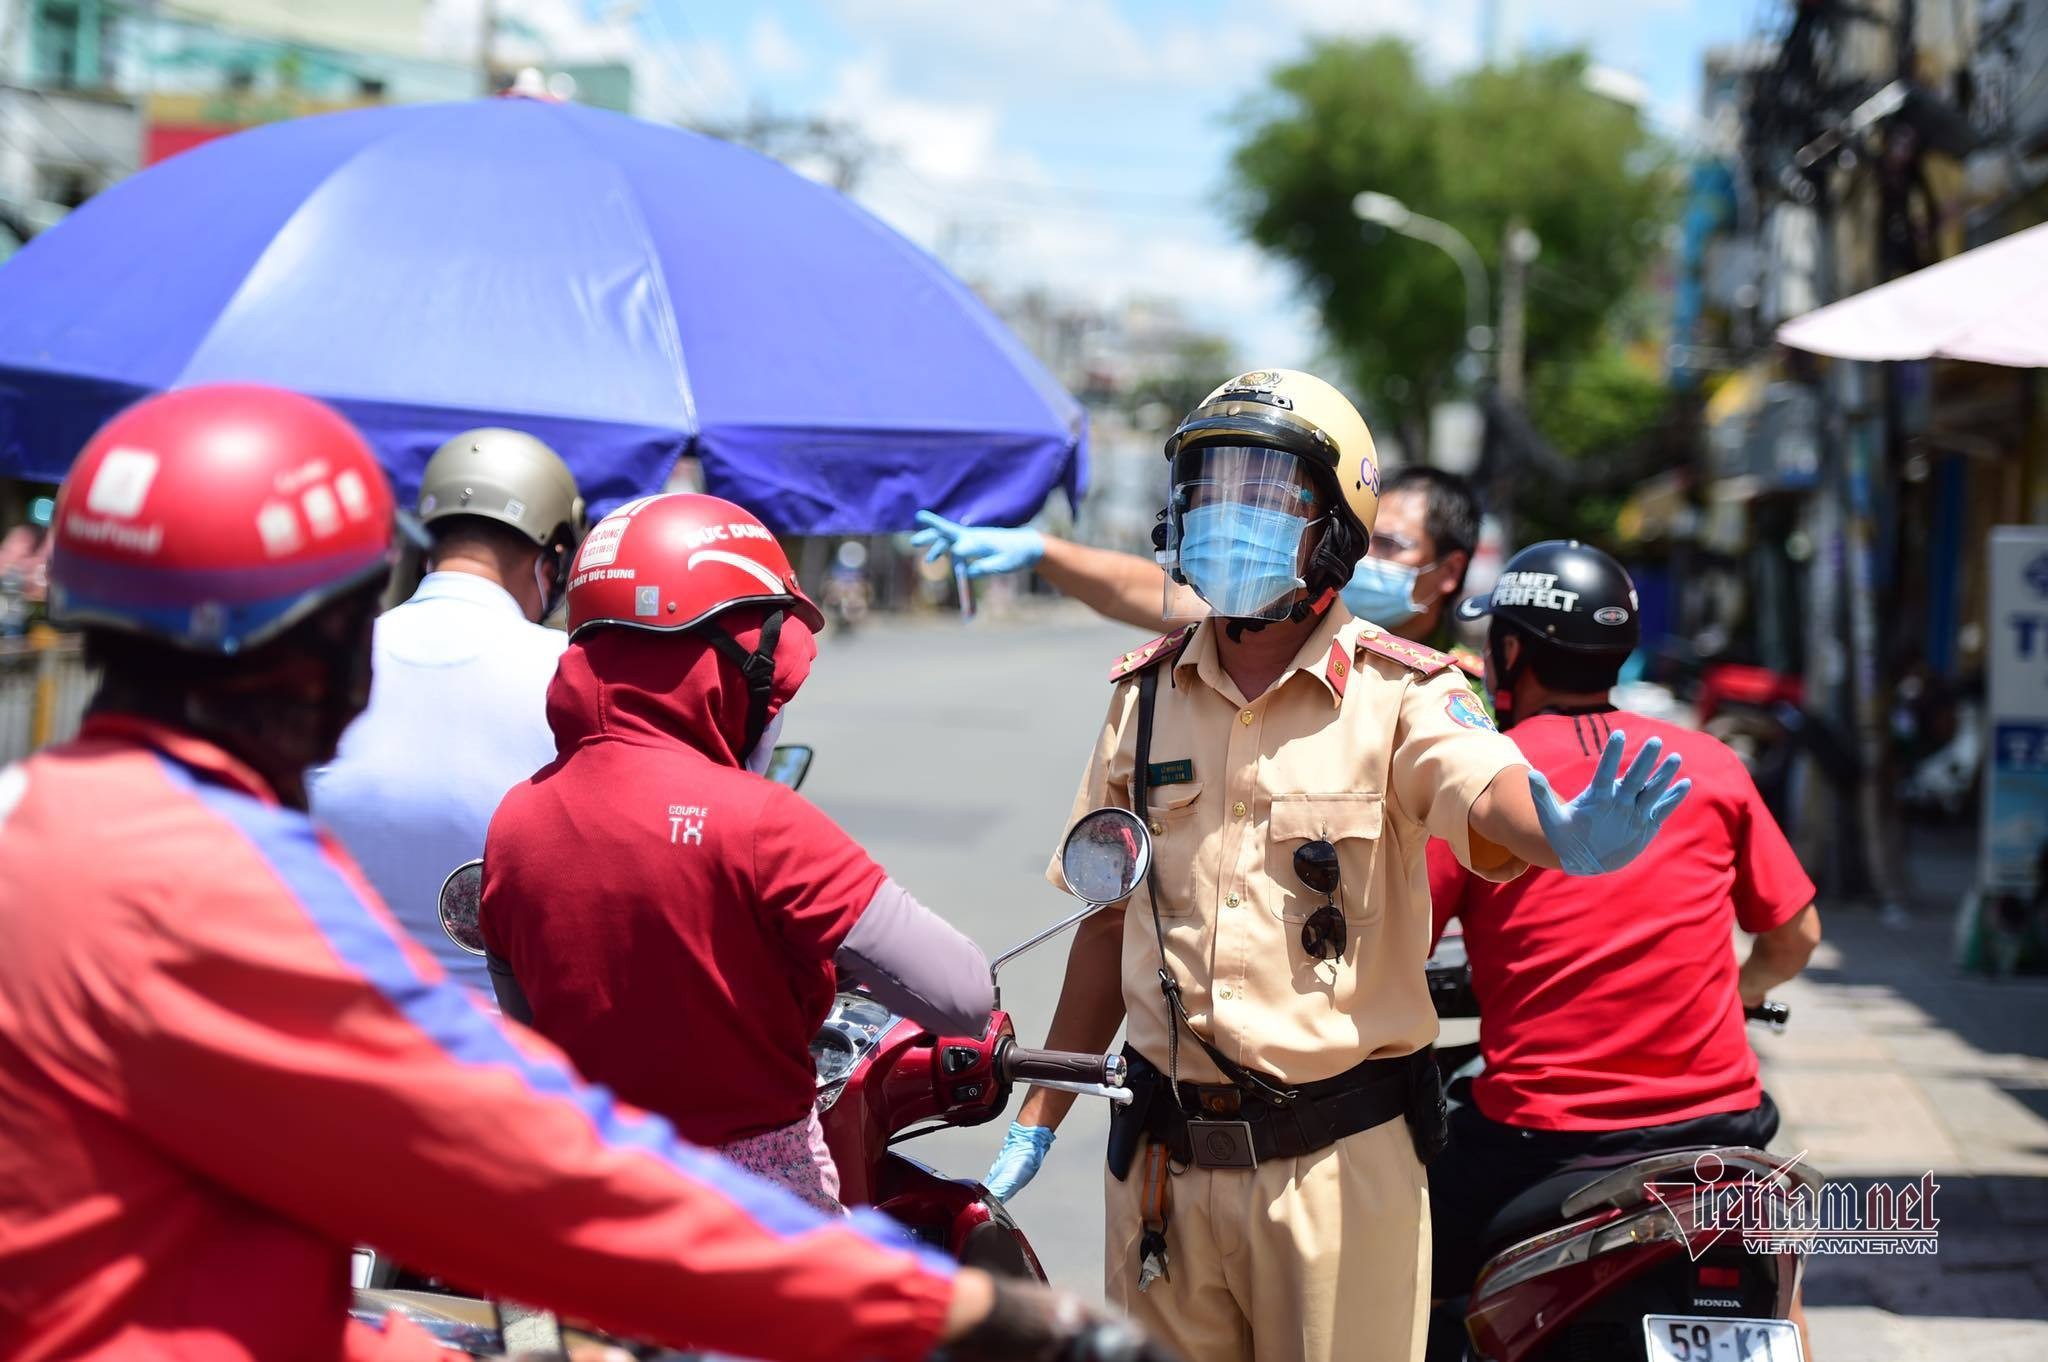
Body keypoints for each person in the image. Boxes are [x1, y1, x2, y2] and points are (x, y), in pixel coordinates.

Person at [0, 384, 1155, 1362]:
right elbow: (540, 1165)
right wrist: (957, 1311)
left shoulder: (38, 827)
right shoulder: (212, 890)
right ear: (320, 645)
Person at [976, 370, 1692, 1362]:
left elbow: (1481, 787)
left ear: (1337, 527)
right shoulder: (1140, 700)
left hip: (1335, 1172)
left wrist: (1557, 829)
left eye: (1266, 493)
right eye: (1214, 487)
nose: (1233, 515)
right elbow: (1108, 920)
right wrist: (1041, 1115)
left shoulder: (1402, 694)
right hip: (1161, 1172)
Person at [481, 492, 995, 1213]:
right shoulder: (762, 824)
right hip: (750, 1227)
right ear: (731, 652)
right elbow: (963, 995)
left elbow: (528, 1021)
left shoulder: (518, 820)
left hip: (582, 1208)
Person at [1425, 540, 1822, 1329]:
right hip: (1723, 1130)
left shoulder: (1483, 779)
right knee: (1773, 1282)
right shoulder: (1711, 765)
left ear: (1508, 652)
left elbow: (1394, 948)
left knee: (1399, 1271)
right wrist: (1733, 996)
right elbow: (1796, 938)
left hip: (1543, 1142)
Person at [310, 427, 585, 999]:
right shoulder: (573, 673)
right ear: (552, 556)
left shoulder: (327, 657)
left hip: (323, 1021)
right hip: (502, 1046)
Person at [911, 466, 1483, 674]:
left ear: (1449, 569)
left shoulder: (1463, 691)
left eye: (1391, 545)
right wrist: (1043, 549)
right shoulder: (1282, 621)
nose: (1367, 559)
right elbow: (1141, 590)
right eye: (1365, 539)